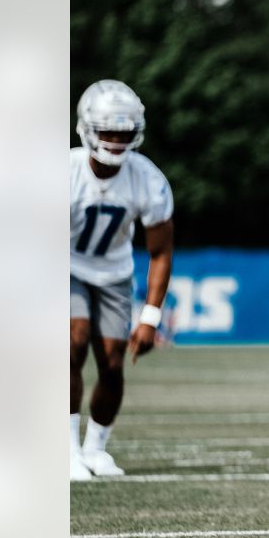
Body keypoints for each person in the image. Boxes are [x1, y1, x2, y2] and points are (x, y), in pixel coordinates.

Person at [70, 80, 174, 481]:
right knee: (72, 342)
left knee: (113, 363)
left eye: (124, 132)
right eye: (108, 131)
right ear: (88, 129)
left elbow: (160, 251)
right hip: (64, 267)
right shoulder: (63, 173)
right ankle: (65, 451)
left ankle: (95, 449)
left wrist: (149, 317)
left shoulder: (147, 179)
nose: (115, 141)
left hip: (113, 274)